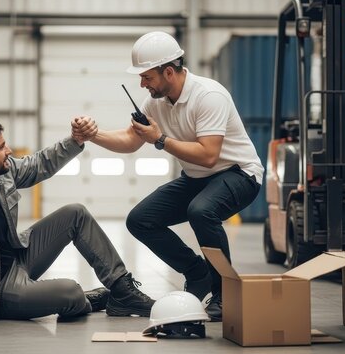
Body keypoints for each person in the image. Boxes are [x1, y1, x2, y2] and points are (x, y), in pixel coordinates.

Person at [72, 31, 263, 322]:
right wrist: (92, 136)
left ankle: (226, 292)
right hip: (199, 176)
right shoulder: (155, 103)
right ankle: (198, 274)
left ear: (169, 72)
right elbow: (130, 141)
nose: (142, 84)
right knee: (140, 220)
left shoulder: (208, 96)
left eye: (147, 77)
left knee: (202, 211)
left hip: (239, 174)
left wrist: (160, 139)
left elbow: (210, 154)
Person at [0, 119, 155, 330]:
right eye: (1, 147)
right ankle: (88, 299)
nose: (8, 150)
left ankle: (122, 290)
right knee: (69, 291)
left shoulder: (1, 173)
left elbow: (40, 163)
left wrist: (75, 140)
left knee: (75, 213)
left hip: (17, 259)